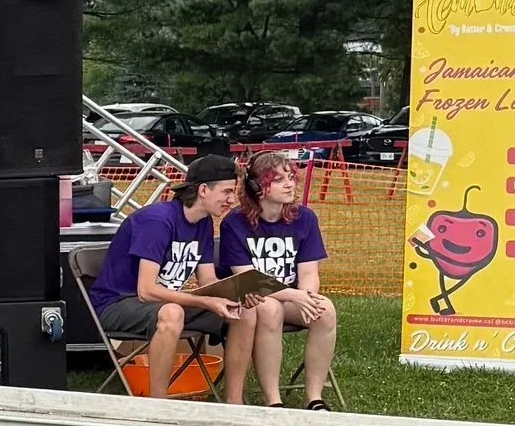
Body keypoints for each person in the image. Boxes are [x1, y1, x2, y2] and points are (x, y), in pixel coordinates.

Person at [86, 153, 249, 399]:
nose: (232, 199)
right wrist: (205, 301)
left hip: (163, 303)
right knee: (173, 312)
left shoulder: (203, 222)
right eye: (227, 191)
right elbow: (146, 290)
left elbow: (208, 281)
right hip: (119, 302)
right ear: (203, 190)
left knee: (244, 310)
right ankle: (158, 404)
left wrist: (239, 291)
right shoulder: (158, 221)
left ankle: (234, 403)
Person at [216, 151, 338, 408]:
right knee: (269, 308)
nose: (289, 184)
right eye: (278, 179)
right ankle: (273, 400)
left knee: (324, 309)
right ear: (257, 186)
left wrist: (308, 297)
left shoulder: (305, 218)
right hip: (251, 295)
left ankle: (314, 397)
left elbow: (308, 272)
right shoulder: (234, 223)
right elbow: (246, 276)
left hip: (291, 296)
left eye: (291, 177)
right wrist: (294, 295)